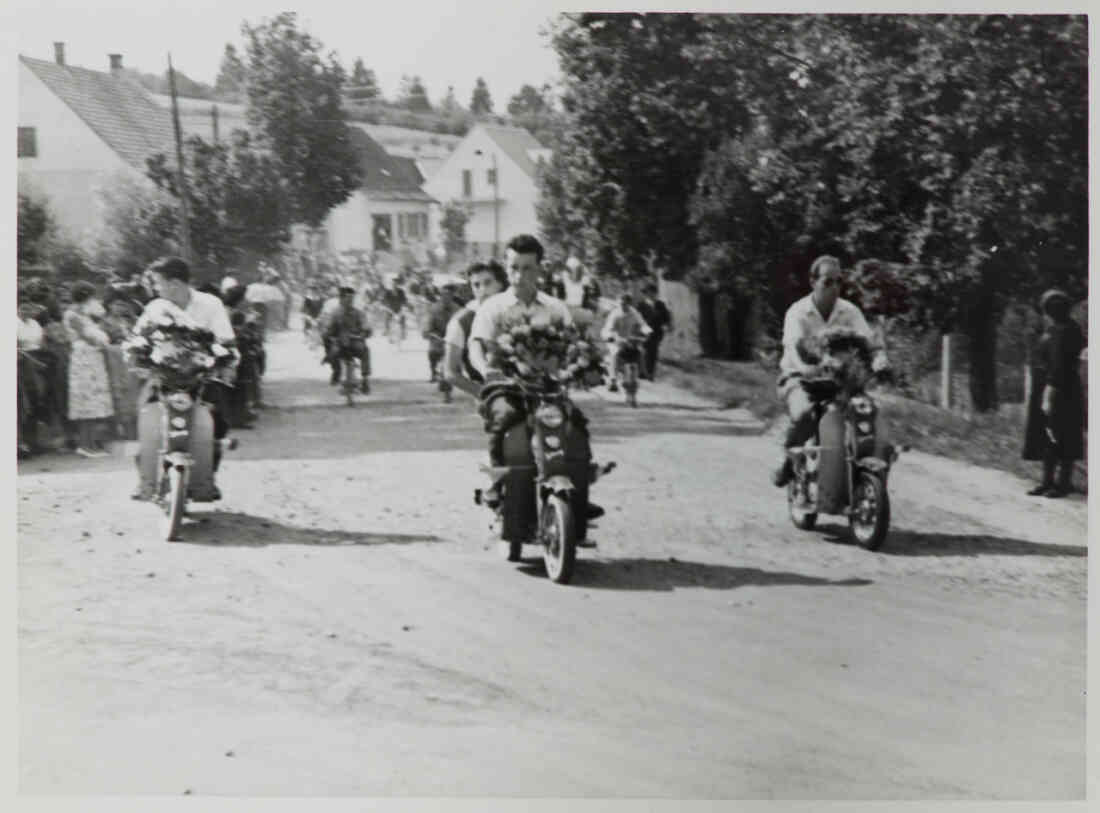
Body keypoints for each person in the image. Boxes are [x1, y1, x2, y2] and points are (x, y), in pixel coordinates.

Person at [773, 255, 889, 487]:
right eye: (827, 281)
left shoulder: (850, 311)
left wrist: (880, 359)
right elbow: (794, 348)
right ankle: (788, 459)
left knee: (871, 417)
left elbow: (869, 343)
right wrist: (806, 368)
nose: (834, 287)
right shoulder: (798, 312)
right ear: (813, 281)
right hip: (800, 378)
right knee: (805, 413)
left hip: (841, 380)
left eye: (838, 281)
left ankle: (864, 477)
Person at [131, 256, 237, 500]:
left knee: (217, 420)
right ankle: (146, 478)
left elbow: (226, 339)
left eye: (157, 282)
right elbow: (138, 338)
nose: (154, 288)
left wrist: (226, 361)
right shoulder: (155, 308)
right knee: (146, 414)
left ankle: (207, 476)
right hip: (165, 377)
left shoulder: (210, 304)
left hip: (202, 377)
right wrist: (137, 356)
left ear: (175, 283)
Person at [1022, 289, 1085, 498]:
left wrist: (1049, 393)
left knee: (1062, 434)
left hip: (1060, 389)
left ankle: (1063, 484)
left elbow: (1060, 366)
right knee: (1048, 435)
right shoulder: (1054, 329)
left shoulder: (1067, 331)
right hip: (1051, 385)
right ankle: (1047, 481)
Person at [63, 282, 115, 458]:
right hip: (83, 358)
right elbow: (87, 336)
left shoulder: (85, 314)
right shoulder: (72, 314)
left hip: (93, 358)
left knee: (94, 401)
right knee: (85, 400)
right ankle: (85, 445)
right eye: (92, 296)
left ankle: (91, 444)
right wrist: (102, 341)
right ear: (85, 296)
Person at [442, 261, 508, 398]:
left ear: (500, 283)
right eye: (476, 285)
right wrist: (485, 394)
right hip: (491, 397)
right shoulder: (461, 321)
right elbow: (450, 372)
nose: (482, 290)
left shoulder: (516, 309)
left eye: (488, 283)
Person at [322, 283, 372, 394]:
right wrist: (328, 334)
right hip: (340, 344)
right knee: (332, 353)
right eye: (347, 298)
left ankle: (365, 379)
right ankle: (336, 371)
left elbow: (365, 325)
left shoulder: (358, 313)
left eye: (352, 298)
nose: (350, 301)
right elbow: (329, 328)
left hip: (355, 343)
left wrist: (365, 332)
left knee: (365, 351)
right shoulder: (335, 313)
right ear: (341, 299)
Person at [600, 292, 652, 392]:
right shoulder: (615, 313)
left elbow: (642, 324)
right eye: (621, 303)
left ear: (630, 304)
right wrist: (611, 337)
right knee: (615, 353)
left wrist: (647, 333)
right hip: (614, 338)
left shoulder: (634, 313)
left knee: (641, 351)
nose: (623, 306)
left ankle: (644, 372)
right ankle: (613, 380)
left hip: (628, 339)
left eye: (625, 304)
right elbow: (609, 328)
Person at [426, 285, 461, 389]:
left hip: (454, 339)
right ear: (440, 296)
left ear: (452, 296)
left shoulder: (458, 309)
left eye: (449, 295)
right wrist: (432, 335)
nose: (446, 297)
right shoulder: (434, 309)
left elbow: (463, 325)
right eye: (444, 295)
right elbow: (429, 326)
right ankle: (433, 372)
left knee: (462, 357)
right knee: (432, 353)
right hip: (438, 338)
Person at [637, 283, 672, 380]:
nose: (650, 294)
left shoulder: (660, 304)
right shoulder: (641, 305)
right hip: (644, 330)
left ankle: (650, 373)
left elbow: (666, 317)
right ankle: (642, 372)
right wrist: (643, 330)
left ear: (655, 293)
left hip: (657, 331)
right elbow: (637, 318)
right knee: (643, 350)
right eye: (647, 292)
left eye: (652, 292)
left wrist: (668, 325)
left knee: (653, 352)